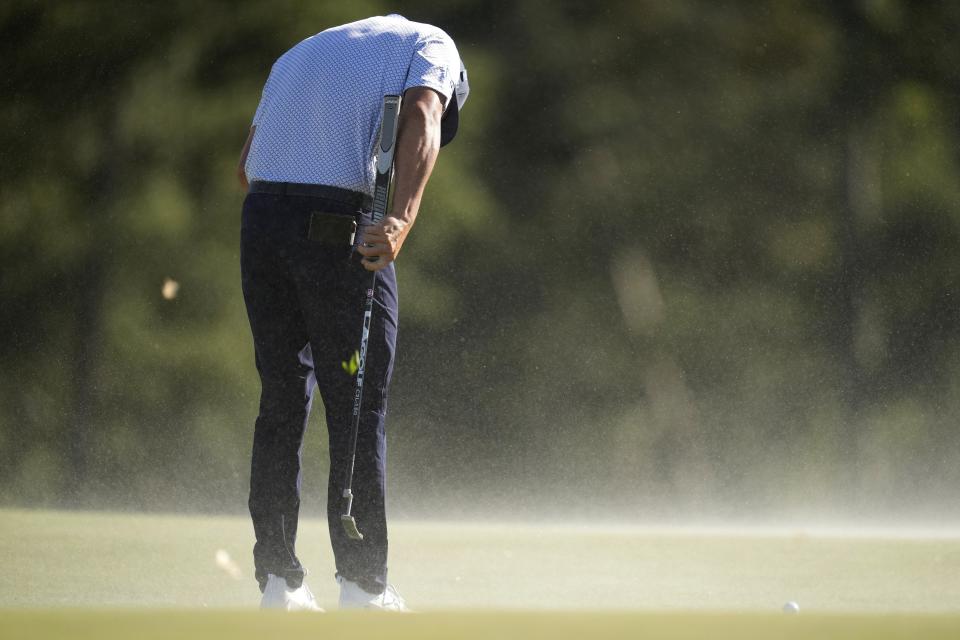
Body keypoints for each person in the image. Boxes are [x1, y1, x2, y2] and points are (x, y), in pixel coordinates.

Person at [236, 14, 469, 611]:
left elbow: (246, 165)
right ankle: (363, 585)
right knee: (359, 405)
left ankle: (277, 583)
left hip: (260, 223)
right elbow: (423, 114)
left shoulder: (300, 51)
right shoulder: (432, 45)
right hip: (335, 228)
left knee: (281, 400)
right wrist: (402, 218)